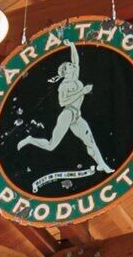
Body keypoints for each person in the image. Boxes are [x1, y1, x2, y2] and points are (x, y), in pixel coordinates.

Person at [18, 51, 112, 184]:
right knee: (51, 145)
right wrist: (82, 91)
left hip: (77, 116)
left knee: (90, 142)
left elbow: (76, 61)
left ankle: (102, 165)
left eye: (71, 65)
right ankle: (30, 139)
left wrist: (72, 46)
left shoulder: (75, 78)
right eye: (69, 66)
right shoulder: (64, 85)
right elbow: (62, 102)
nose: (72, 65)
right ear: (65, 72)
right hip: (67, 115)